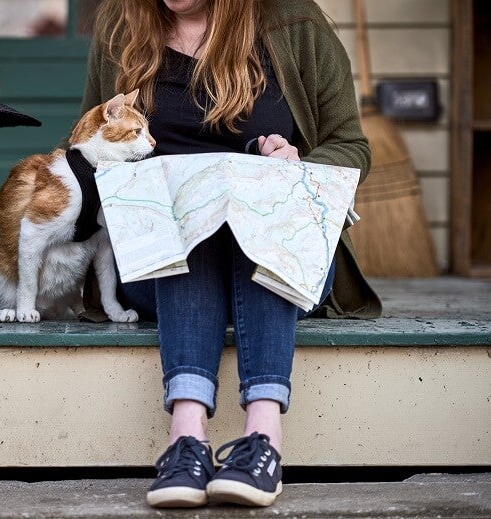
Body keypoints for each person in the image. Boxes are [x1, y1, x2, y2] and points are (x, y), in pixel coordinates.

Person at [74, 0, 382, 509]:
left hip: (279, 248)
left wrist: (295, 163)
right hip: (160, 257)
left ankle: (260, 439)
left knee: (240, 220)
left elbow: (350, 145)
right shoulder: (120, 24)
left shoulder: (293, 23)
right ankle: (188, 438)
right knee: (196, 226)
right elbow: (90, 143)